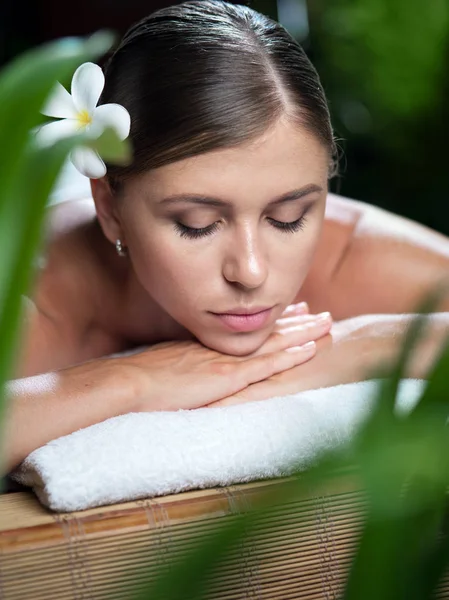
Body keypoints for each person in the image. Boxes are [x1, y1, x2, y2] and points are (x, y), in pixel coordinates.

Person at [3, 0, 449, 476]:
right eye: (196, 224)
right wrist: (133, 379)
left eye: (288, 217)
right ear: (110, 208)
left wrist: (366, 345)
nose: (251, 271)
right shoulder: (33, 300)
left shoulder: (345, 252)